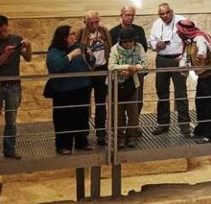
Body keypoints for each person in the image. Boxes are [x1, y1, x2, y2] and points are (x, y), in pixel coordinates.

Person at [0, 15, 30, 162]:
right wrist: (5, 54)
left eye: (4, 29)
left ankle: (9, 150)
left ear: (7, 25)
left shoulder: (16, 39)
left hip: (14, 86)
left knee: (11, 120)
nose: (3, 32)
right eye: (0, 30)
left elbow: (28, 58)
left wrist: (29, 47)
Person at [46, 26, 92, 155]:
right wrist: (71, 55)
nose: (74, 36)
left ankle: (81, 142)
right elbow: (55, 67)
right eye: (71, 34)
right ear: (64, 37)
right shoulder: (54, 51)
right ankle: (63, 145)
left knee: (82, 117)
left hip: (82, 88)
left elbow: (90, 65)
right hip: (63, 91)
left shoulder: (80, 47)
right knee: (63, 119)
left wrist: (90, 56)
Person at [176, 19, 211, 144]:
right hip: (203, 76)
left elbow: (202, 49)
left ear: (184, 31)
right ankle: (201, 130)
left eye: (179, 30)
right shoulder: (188, 42)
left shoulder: (199, 38)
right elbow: (186, 58)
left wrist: (201, 54)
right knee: (201, 102)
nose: (177, 33)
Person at [148, 3, 190, 136]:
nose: (165, 16)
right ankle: (163, 124)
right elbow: (151, 41)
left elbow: (190, 40)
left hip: (178, 60)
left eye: (167, 13)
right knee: (162, 93)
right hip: (161, 60)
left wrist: (186, 60)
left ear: (172, 11)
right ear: (158, 14)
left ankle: (185, 126)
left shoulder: (181, 21)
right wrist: (156, 44)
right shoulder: (156, 24)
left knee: (181, 94)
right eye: (162, 14)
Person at [76, 11, 112, 146]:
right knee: (84, 103)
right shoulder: (81, 33)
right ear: (86, 22)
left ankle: (101, 134)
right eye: (92, 23)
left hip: (102, 70)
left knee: (101, 103)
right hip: (87, 71)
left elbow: (110, 46)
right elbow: (77, 48)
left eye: (97, 22)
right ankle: (83, 134)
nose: (95, 25)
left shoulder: (104, 31)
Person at [108, 27, 147, 148]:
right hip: (116, 86)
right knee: (118, 113)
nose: (129, 44)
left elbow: (144, 63)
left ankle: (132, 136)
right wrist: (127, 67)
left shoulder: (139, 47)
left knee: (133, 112)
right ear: (121, 42)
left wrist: (132, 70)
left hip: (132, 84)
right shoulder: (115, 49)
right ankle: (119, 137)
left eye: (131, 41)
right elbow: (111, 66)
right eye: (125, 42)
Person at [109, 6, 148, 114]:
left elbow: (144, 48)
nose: (130, 17)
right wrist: (124, 67)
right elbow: (111, 52)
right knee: (118, 100)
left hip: (136, 69)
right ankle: (119, 128)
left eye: (132, 15)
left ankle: (134, 125)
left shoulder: (139, 30)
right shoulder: (113, 32)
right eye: (127, 15)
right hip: (120, 71)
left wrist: (135, 66)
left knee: (138, 99)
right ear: (121, 15)